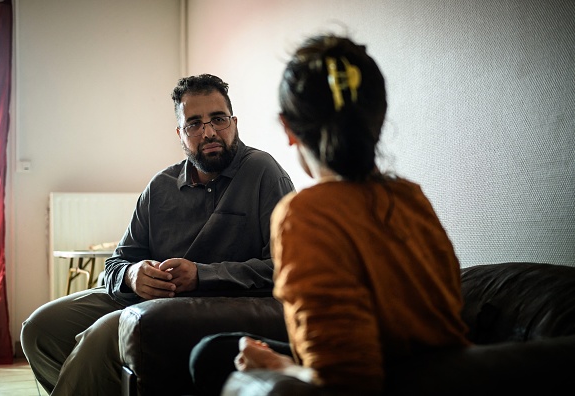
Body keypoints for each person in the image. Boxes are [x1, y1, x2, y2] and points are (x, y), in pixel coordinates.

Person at [189, 35, 471, 395]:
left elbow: (345, 382)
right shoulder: (411, 197)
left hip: (378, 377)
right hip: (442, 374)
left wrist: (278, 366)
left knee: (212, 359)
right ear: (379, 117)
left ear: (288, 129)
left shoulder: (303, 215)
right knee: (214, 352)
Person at [20, 74, 295, 395]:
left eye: (218, 119)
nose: (208, 132)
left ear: (234, 122)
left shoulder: (263, 171)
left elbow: (283, 268)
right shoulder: (160, 187)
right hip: (146, 298)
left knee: (106, 333)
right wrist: (132, 274)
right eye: (194, 123)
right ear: (180, 133)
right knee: (40, 328)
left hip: (213, 305)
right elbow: (116, 263)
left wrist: (201, 276)